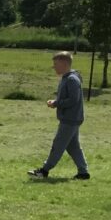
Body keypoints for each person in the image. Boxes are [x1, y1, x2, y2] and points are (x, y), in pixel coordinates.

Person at [29, 52, 90, 180]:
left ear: (64, 64)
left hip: (70, 119)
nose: (54, 67)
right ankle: (83, 172)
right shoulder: (67, 78)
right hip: (72, 118)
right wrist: (56, 102)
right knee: (73, 146)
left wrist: (56, 103)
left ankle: (44, 171)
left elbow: (73, 99)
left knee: (58, 145)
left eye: (56, 64)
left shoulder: (72, 79)